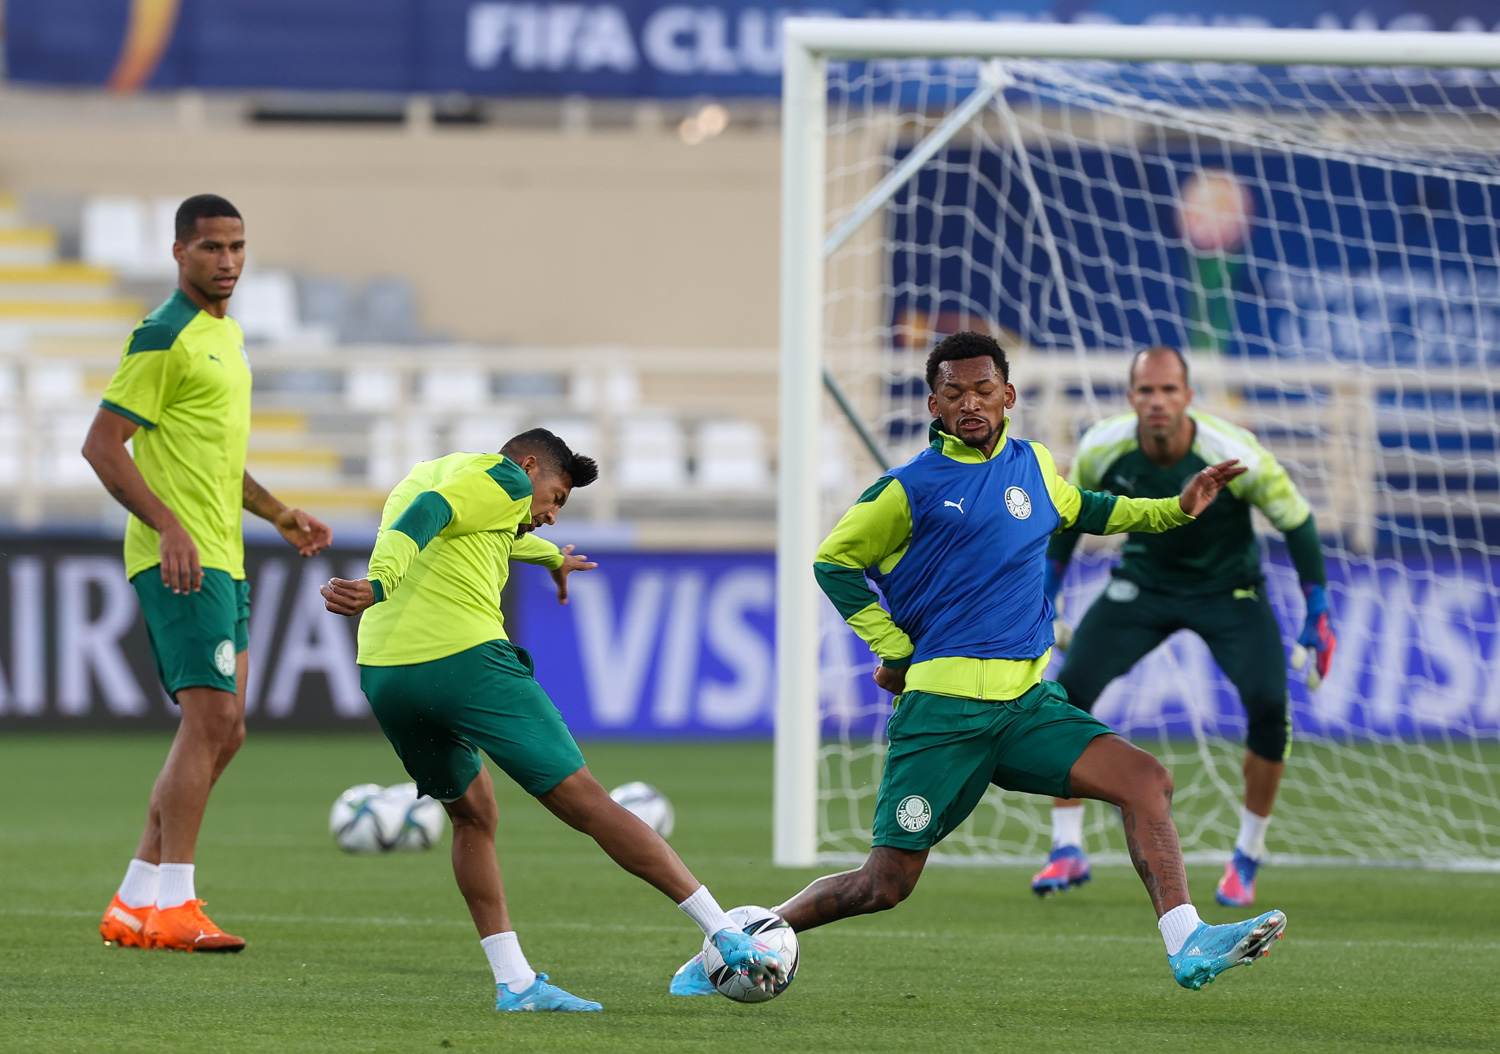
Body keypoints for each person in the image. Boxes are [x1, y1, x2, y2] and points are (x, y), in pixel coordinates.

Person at [671, 331, 1287, 994]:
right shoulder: (908, 488)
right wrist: (892, 646)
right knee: (885, 884)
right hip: (944, 715)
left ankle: (1186, 942)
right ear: (934, 404)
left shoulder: (1034, 467)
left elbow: (1096, 509)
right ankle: (732, 946)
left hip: (1026, 705)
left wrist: (1178, 507)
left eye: (984, 390)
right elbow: (833, 562)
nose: (971, 402)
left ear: (1008, 397)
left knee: (1146, 780)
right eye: (955, 392)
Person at [319, 428, 787, 1012]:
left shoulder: (433, 472)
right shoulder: (504, 477)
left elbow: (458, 524)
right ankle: (723, 932)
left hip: (385, 673)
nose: (551, 513)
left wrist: (551, 558)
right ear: (531, 465)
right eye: (557, 497)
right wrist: (378, 583)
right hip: (464, 662)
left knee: (472, 816)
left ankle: (515, 983)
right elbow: (432, 514)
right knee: (589, 802)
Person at [86, 194, 333, 953]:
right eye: (210, 248)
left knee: (228, 731)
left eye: (236, 246)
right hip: (181, 559)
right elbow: (102, 445)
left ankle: (135, 899)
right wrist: (166, 528)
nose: (226, 261)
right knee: (212, 721)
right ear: (178, 254)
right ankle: (176, 904)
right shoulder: (165, 334)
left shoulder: (226, 337)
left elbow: (215, 458)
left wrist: (278, 512)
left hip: (224, 554)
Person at [1031, 345, 1335, 907]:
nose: (1157, 402)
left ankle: (1246, 855)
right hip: (1143, 585)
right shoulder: (1103, 446)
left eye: (1169, 390)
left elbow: (1296, 520)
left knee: (1270, 706)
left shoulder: (1233, 452)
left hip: (1230, 592)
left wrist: (1317, 605)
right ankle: (1066, 845)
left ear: (1188, 398)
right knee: (1067, 695)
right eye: (1146, 391)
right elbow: (1070, 514)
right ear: (1131, 399)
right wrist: (1048, 587)